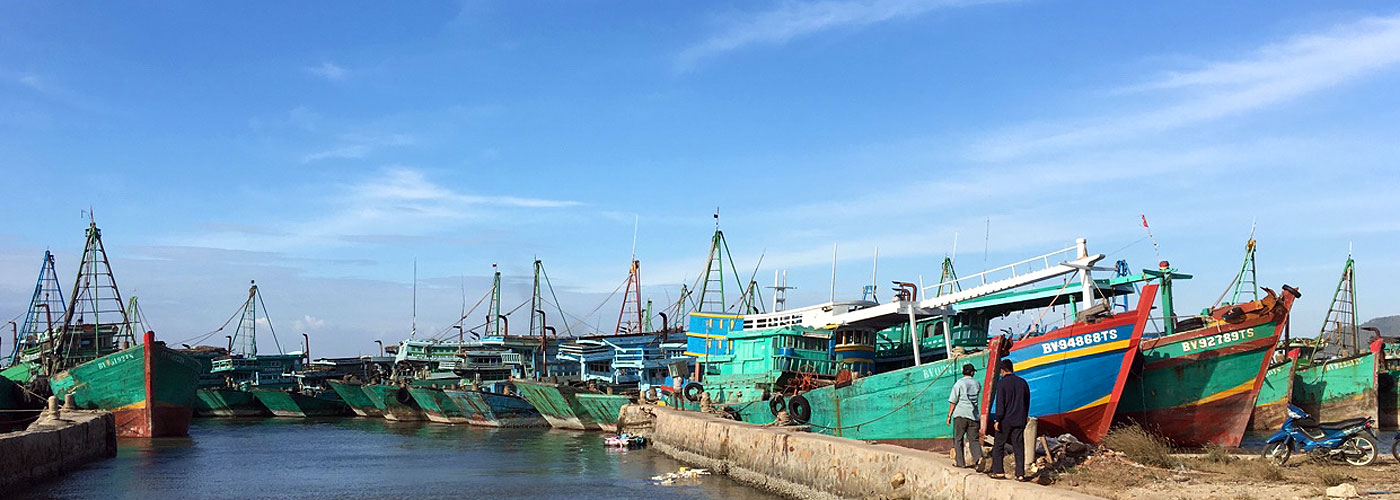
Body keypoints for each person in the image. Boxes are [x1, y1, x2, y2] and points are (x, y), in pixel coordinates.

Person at [986, 358, 1029, 481]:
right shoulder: (1023, 383)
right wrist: (1024, 417)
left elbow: (1001, 404)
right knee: (1019, 447)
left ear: (1003, 370)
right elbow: (1026, 402)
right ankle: (1020, 474)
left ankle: (999, 471)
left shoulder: (1002, 384)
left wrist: (997, 419)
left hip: (1005, 420)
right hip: (1019, 420)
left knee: (999, 445)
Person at [946, 363, 982, 469]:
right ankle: (978, 459)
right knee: (974, 440)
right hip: (973, 416)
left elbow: (953, 400)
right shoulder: (977, 383)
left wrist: (949, 415)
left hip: (960, 414)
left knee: (958, 439)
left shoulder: (959, 383)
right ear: (972, 373)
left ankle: (960, 463)